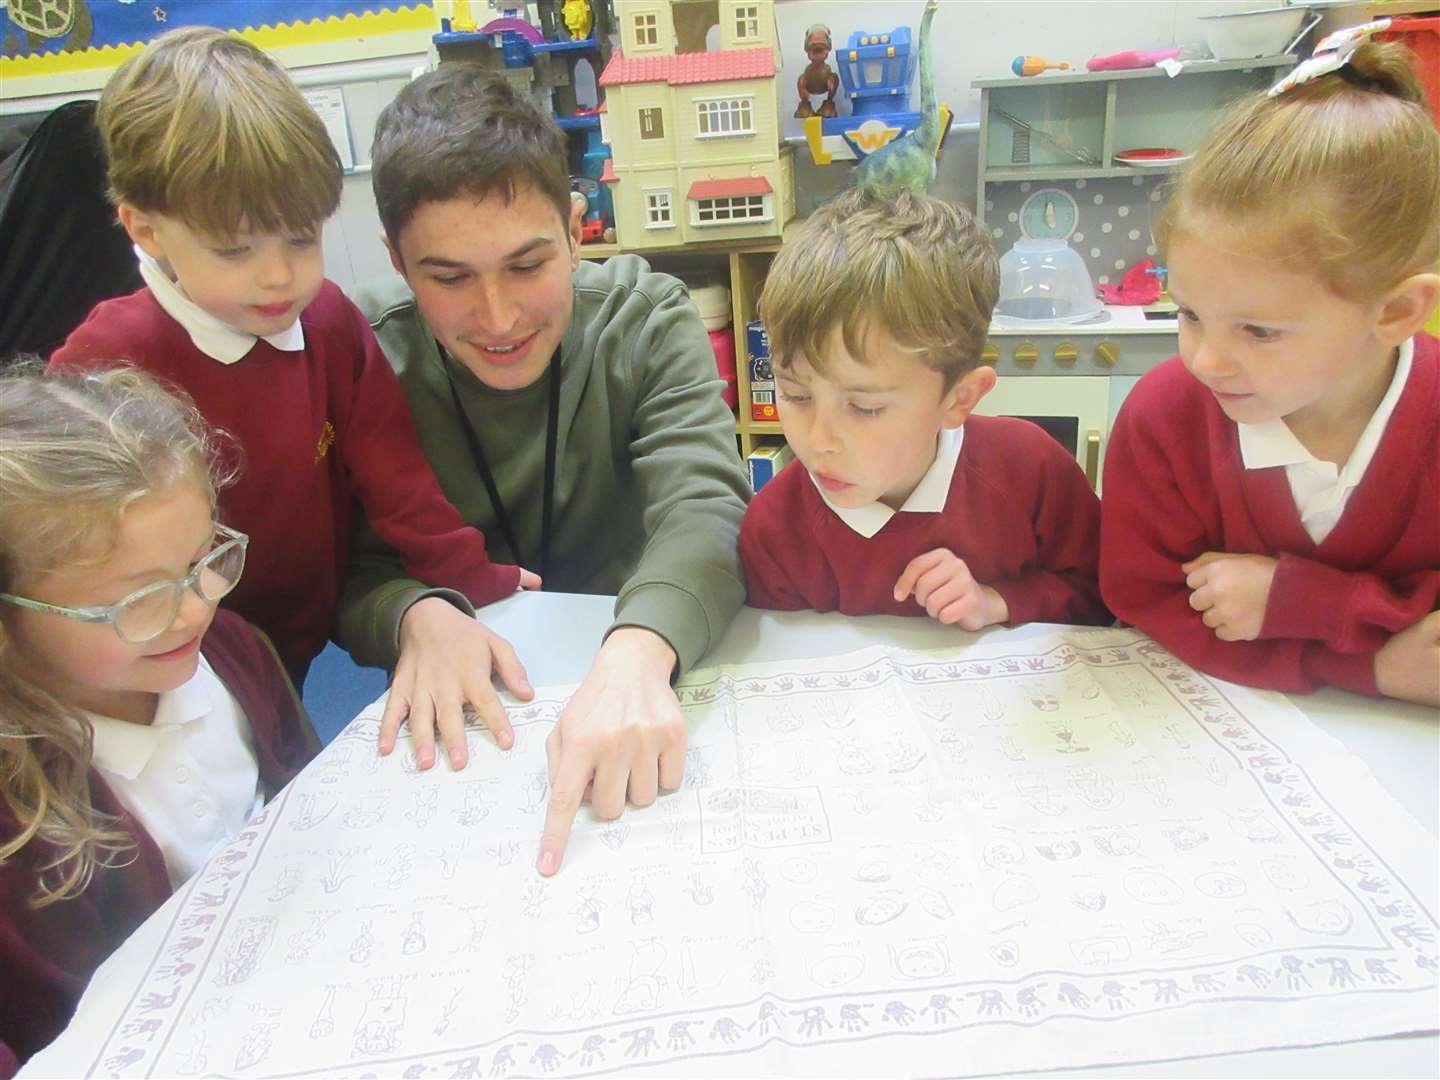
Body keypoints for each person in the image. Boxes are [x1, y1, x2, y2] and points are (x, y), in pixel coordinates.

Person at [340, 69, 750, 875]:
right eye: (448, 278)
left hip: (652, 667)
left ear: (574, 228)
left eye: (528, 265)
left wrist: (637, 653)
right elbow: (348, 566)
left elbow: (709, 506)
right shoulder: (363, 355)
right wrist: (410, 611)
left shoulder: (648, 317)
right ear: (395, 258)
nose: (497, 318)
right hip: (468, 720)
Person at [49, 27, 527, 685]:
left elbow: (397, 477)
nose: (279, 278)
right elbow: (58, 545)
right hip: (163, 656)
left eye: (301, 240)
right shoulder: (105, 362)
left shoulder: (329, 321)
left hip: (295, 644)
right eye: (235, 250)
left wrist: (472, 578)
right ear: (147, 231)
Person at [1100, 31, 1440, 704]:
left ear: (1398, 311)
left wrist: (1300, 602)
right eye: (1188, 313)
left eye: (1260, 330)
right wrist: (1370, 662)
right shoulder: (1164, 417)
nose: (1205, 360)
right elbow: (1146, 600)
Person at [0, 364, 319, 1072]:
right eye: (136, 600)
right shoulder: (16, 811)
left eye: (204, 559)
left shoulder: (231, 652)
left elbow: (309, 803)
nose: (197, 608)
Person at [740, 187, 1109, 628]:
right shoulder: (774, 531)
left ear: (959, 399)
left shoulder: (1032, 471)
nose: (817, 441)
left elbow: (1103, 597)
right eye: (796, 395)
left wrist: (996, 601)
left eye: (864, 407)